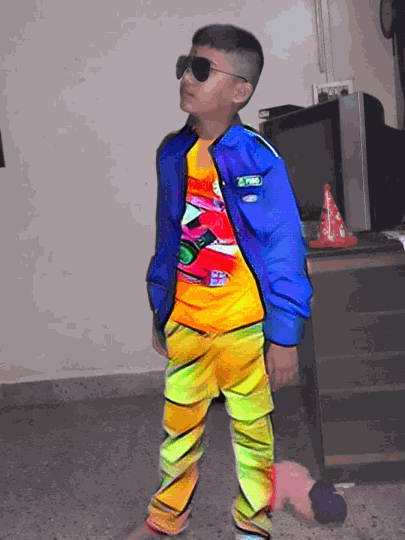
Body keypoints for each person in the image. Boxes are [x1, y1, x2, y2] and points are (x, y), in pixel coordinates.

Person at [129, 24, 313, 540]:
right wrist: (160, 311)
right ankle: (166, 521)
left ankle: (252, 526)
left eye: (201, 69)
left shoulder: (259, 158)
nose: (186, 77)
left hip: (243, 329)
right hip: (187, 322)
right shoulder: (172, 154)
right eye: (185, 66)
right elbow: (168, 239)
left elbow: (283, 248)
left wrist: (284, 335)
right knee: (178, 433)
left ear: (239, 91)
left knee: (253, 437)